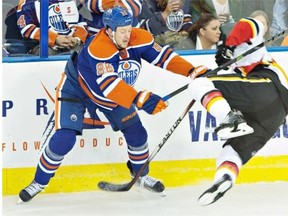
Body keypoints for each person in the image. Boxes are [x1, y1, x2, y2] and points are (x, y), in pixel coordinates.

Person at [18, 6, 209, 203]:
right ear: (109, 31)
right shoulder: (99, 47)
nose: (127, 35)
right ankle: (39, 182)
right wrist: (139, 98)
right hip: (76, 89)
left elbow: (164, 58)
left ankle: (140, 176)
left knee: (137, 133)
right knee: (64, 139)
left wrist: (191, 70)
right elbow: (109, 84)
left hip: (112, 95)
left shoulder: (138, 37)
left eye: (129, 28)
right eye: (122, 31)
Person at [187, 10, 288, 205]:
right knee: (233, 151)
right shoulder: (244, 50)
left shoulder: (252, 34)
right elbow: (230, 82)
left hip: (267, 87)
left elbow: (246, 25)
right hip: (274, 114)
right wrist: (223, 58)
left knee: (198, 84)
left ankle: (230, 119)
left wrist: (228, 45)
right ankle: (225, 178)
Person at [16, 0, 88, 55]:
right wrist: (55, 38)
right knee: (47, 54)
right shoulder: (28, 3)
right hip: (45, 46)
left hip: (71, 44)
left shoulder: (68, 1)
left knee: (85, 53)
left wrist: (77, 39)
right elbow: (26, 29)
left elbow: (80, 22)